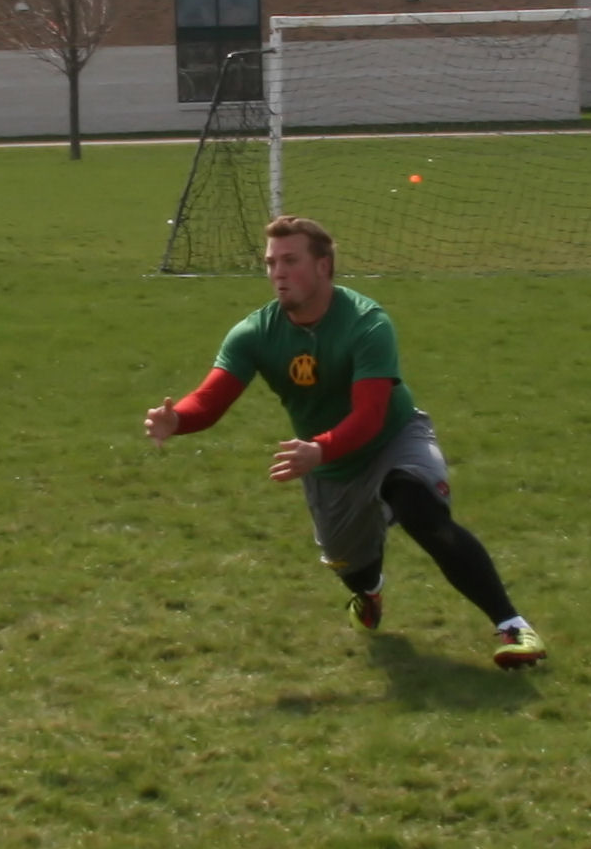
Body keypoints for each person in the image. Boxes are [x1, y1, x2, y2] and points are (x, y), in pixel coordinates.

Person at [144, 215, 546, 670]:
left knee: (420, 509)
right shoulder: (255, 333)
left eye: (291, 261)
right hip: (332, 468)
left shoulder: (366, 323)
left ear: (323, 266)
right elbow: (211, 399)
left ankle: (513, 627)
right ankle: (369, 591)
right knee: (352, 567)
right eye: (271, 263)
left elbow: (370, 415)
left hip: (393, 439)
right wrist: (178, 420)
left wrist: (318, 449)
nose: (278, 272)